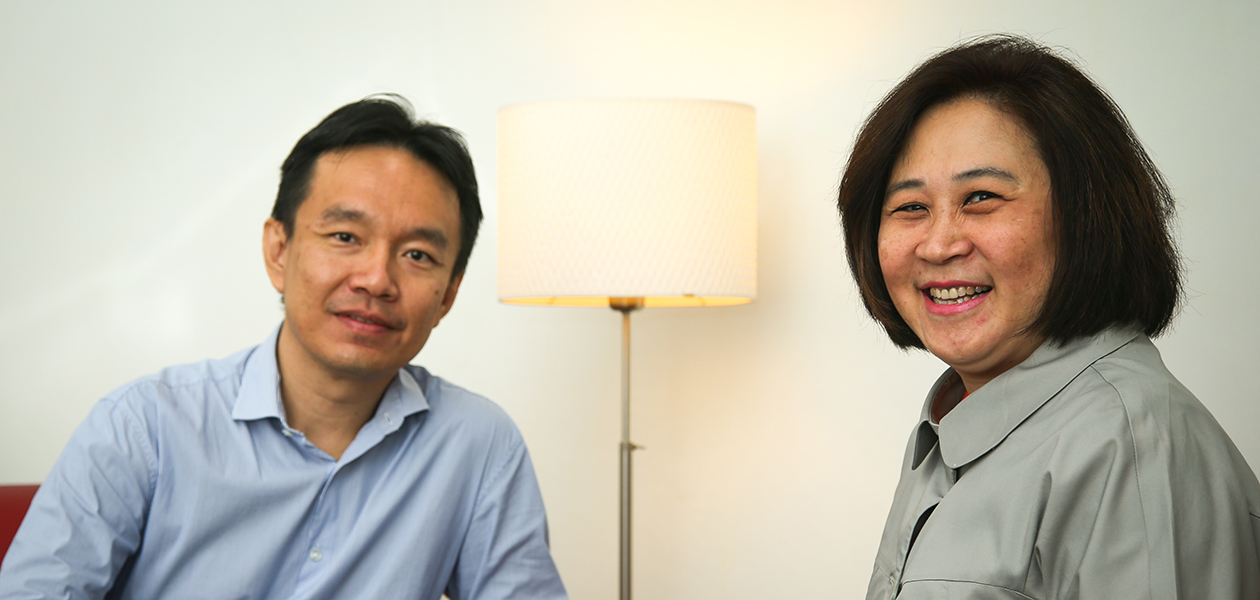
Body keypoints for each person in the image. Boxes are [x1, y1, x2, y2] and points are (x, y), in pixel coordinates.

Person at [0, 97, 568, 600]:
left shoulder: (478, 445)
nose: (377, 279)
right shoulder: (143, 428)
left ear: (448, 294)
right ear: (279, 250)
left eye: (417, 255)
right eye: (345, 237)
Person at [837, 35, 1260, 599]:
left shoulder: (1129, 449)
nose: (938, 245)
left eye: (981, 197)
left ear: (1086, 215)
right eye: (910, 207)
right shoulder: (952, 427)